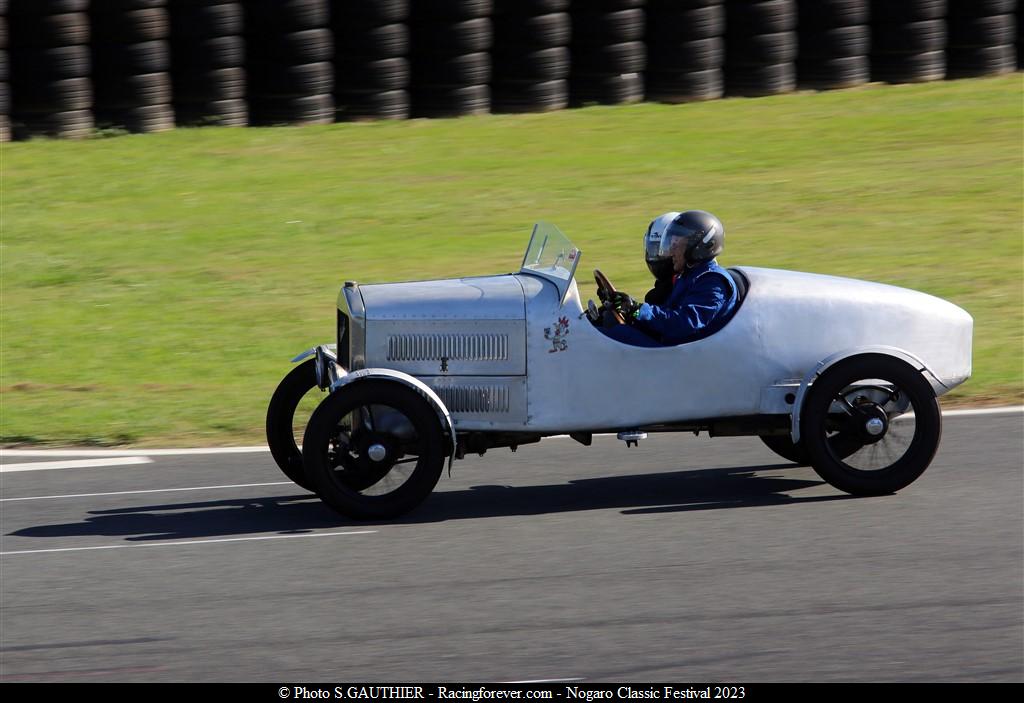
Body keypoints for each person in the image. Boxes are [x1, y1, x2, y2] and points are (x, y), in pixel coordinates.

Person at [601, 210, 737, 348]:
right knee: (605, 323)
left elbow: (684, 324)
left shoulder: (713, 282)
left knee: (608, 337)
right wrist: (626, 309)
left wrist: (638, 310)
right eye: (671, 241)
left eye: (677, 242)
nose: (671, 250)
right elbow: (663, 315)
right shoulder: (687, 275)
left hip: (685, 356)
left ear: (698, 246)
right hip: (669, 347)